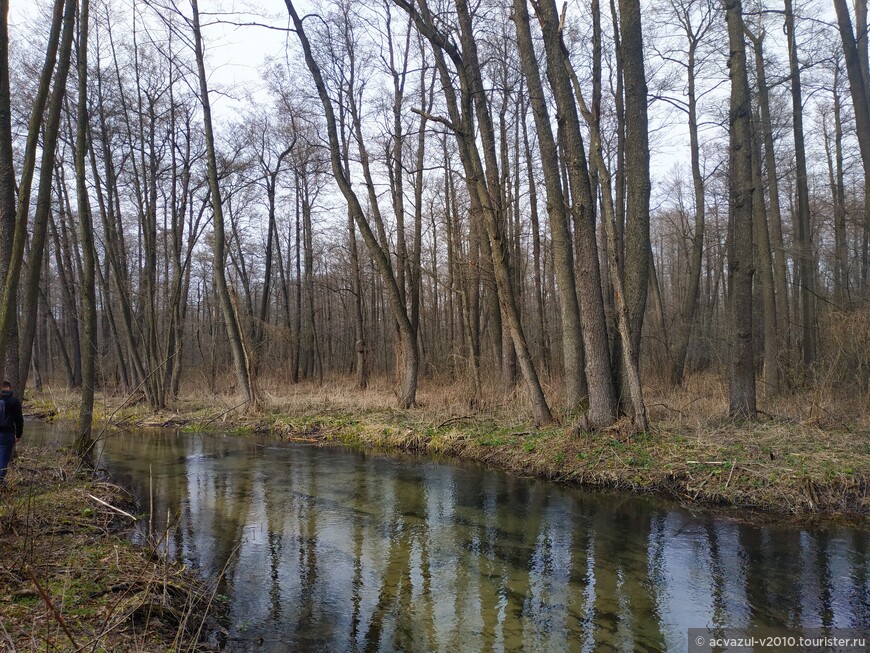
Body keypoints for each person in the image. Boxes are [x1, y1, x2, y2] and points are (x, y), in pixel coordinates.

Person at [0, 380, 23, 484]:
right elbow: (19, 420)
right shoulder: (14, 401)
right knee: (3, 459)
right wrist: (18, 435)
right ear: (9, 388)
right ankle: (0, 481)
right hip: (7, 433)